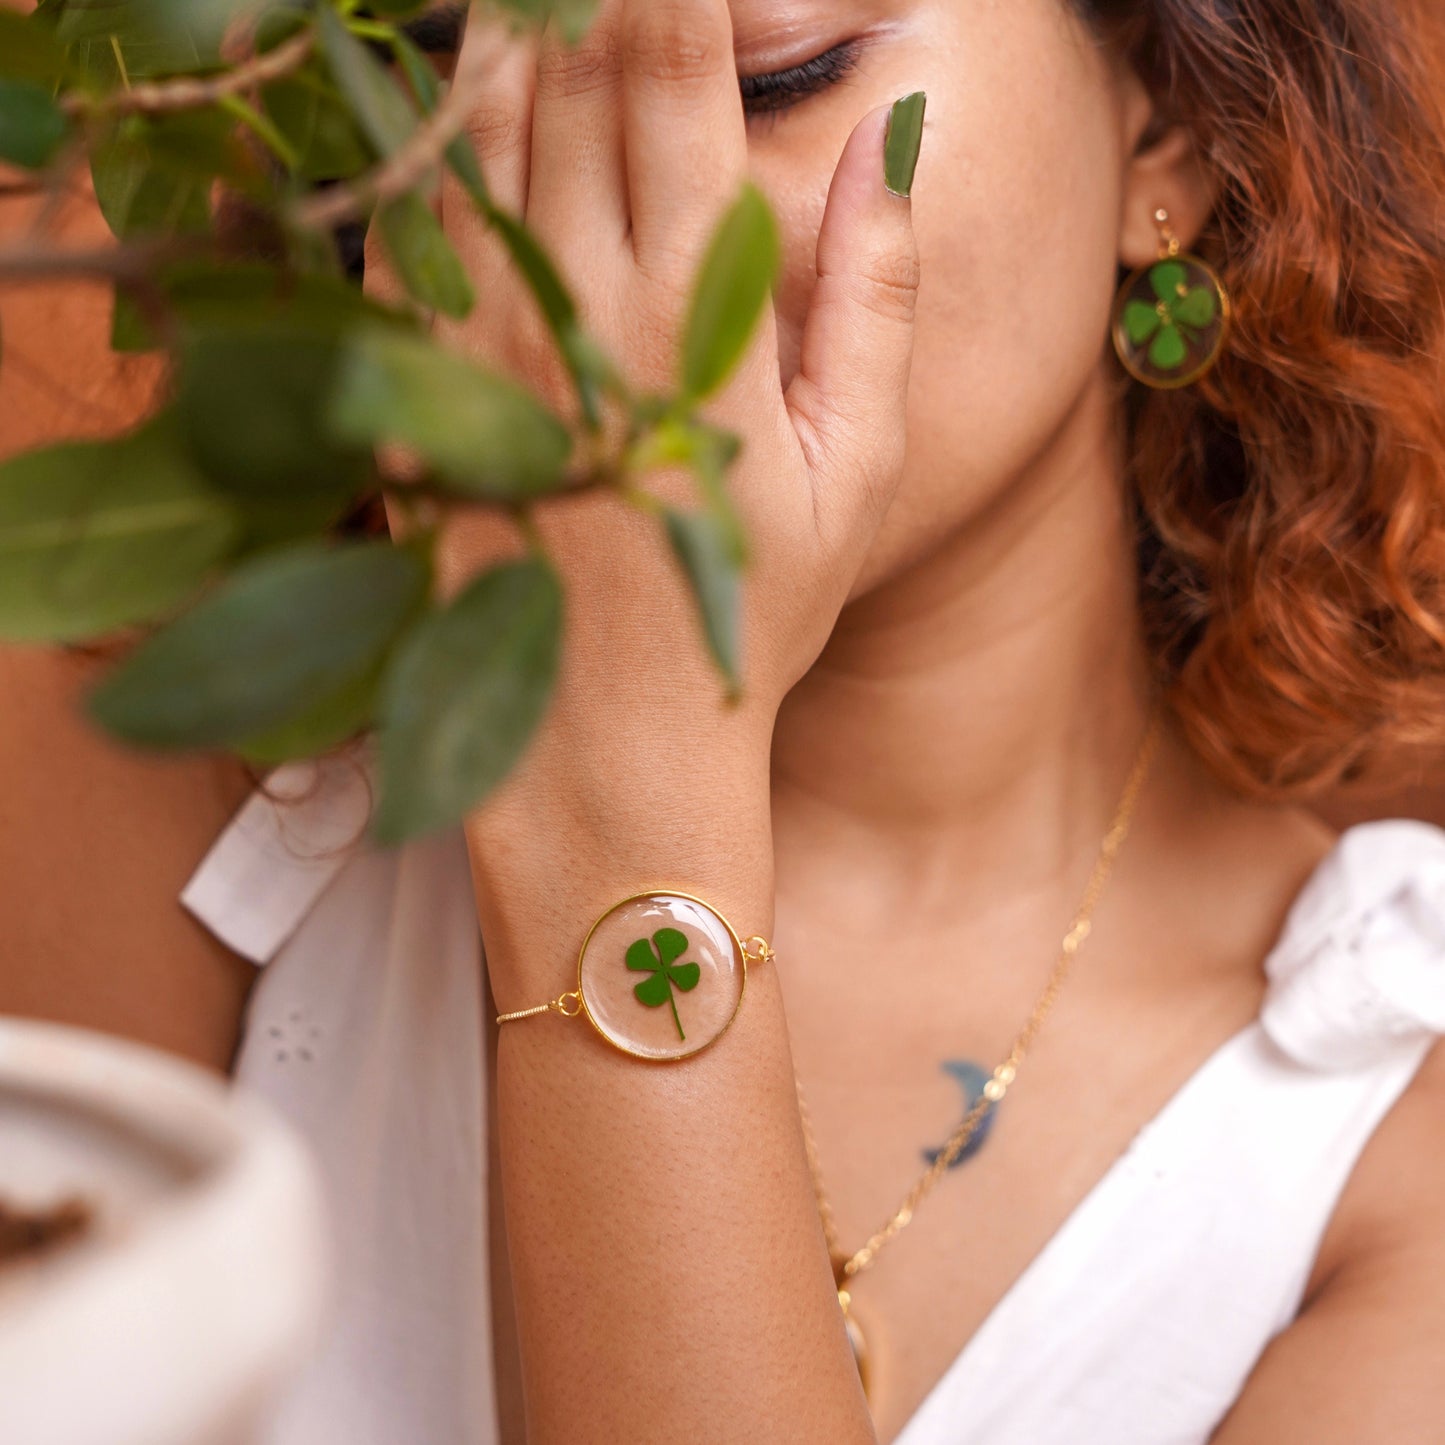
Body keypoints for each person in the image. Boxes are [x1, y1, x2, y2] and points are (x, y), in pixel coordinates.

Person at [4, 1, 1445, 1442]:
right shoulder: (175, 778)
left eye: (775, 77)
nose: (600, 237)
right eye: (462, 89)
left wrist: (617, 819)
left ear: (1163, 126)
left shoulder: (1388, 1148)